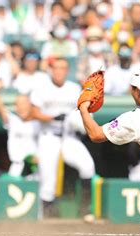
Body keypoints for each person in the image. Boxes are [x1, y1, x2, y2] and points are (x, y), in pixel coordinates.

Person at [30, 58, 95, 218]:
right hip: (48, 136)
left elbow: (84, 110)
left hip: (69, 136)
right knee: (48, 180)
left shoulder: (73, 89)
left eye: (63, 68)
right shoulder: (41, 88)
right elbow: (34, 112)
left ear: (67, 71)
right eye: (56, 68)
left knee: (87, 166)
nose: (59, 71)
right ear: (51, 70)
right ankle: (48, 215)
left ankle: (85, 209)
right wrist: (52, 117)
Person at [78, 65, 140, 175]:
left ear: (138, 91)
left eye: (133, 87)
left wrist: (83, 108)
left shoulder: (135, 118)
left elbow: (96, 135)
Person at [0, 79, 39, 177]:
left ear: (30, 105)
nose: (21, 108)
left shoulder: (39, 122)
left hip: (36, 167)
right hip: (17, 166)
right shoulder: (13, 120)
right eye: (18, 105)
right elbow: (0, 109)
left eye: (24, 104)